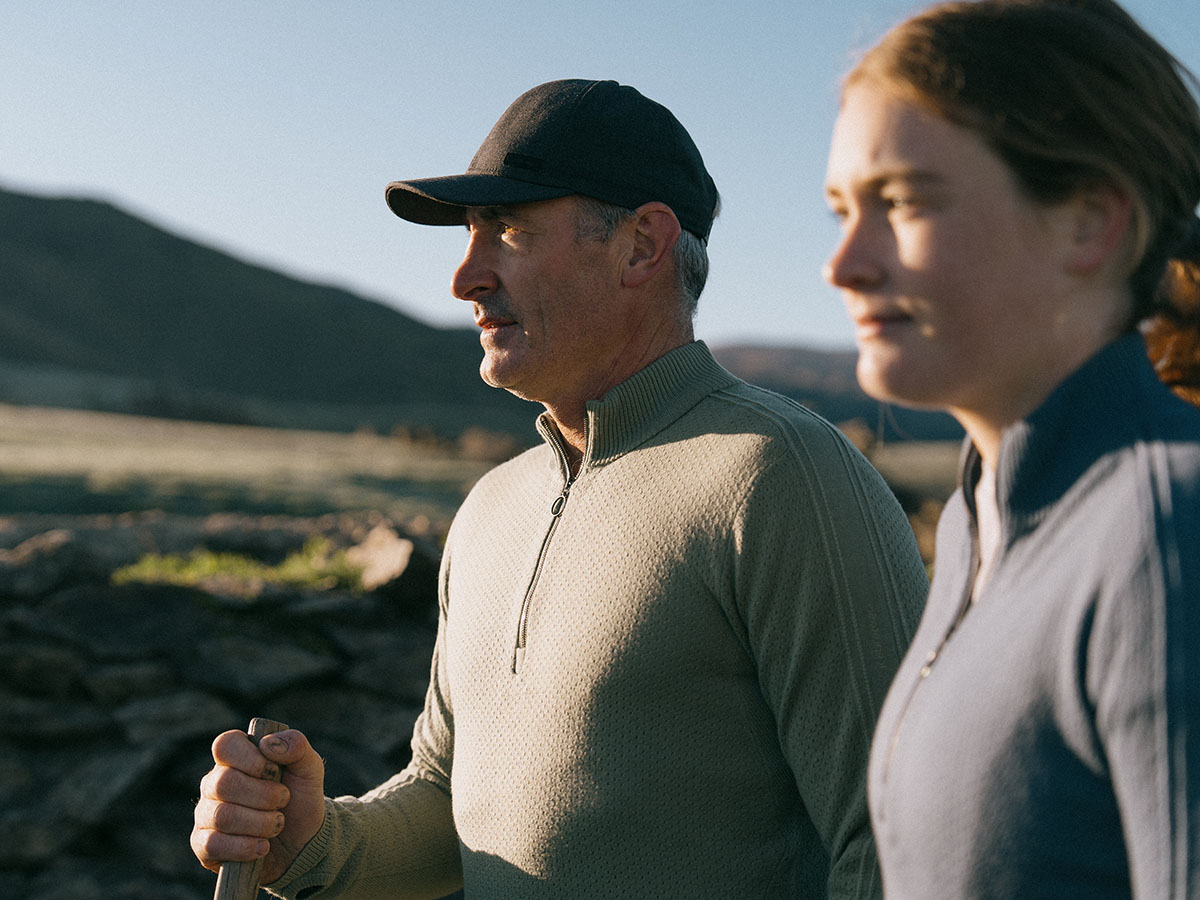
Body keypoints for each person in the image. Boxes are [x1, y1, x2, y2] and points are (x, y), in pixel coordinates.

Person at [192, 78, 929, 899]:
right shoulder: (489, 509)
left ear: (643, 247)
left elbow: (900, 845)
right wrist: (314, 843)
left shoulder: (784, 476)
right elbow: (446, 799)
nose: (464, 278)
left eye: (506, 231)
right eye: (470, 236)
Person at [822, 1, 1200, 897]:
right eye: (841, 208)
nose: (843, 264)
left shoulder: (1170, 532)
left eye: (902, 201)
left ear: (1088, 222)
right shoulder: (972, 519)